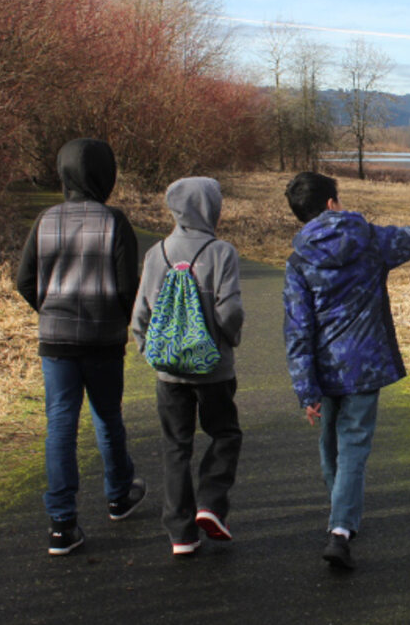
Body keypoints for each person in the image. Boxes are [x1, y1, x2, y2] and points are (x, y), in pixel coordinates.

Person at [282, 171, 410, 569]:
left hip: (324, 371)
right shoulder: (370, 241)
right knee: (352, 445)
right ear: (330, 204)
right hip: (365, 364)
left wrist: (306, 390)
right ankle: (341, 526)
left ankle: (339, 516)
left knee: (330, 443)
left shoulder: (298, 261)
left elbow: (297, 329)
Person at [16, 138, 146, 556]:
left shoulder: (45, 219)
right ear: (106, 175)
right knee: (107, 418)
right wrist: (121, 320)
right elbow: (129, 287)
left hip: (55, 339)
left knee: (60, 425)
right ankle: (119, 495)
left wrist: (50, 307)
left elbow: (23, 280)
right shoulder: (115, 221)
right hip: (104, 338)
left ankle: (62, 523)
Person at [132, 177, 244, 556]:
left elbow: (141, 315)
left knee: (175, 445)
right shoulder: (221, 252)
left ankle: (180, 533)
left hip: (169, 373)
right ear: (211, 207)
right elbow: (230, 311)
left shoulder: (155, 254)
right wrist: (229, 341)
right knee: (224, 434)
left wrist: (150, 350)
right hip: (214, 370)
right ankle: (210, 504)